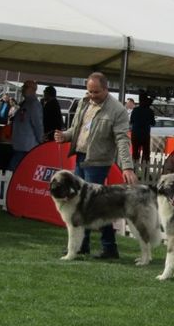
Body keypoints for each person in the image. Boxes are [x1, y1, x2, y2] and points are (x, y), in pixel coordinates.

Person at [54, 72, 137, 258]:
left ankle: (107, 247)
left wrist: (127, 167)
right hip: (80, 158)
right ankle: (85, 246)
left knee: (95, 206)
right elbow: (77, 129)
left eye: (96, 92)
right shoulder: (84, 102)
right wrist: (65, 136)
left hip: (98, 163)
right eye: (90, 91)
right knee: (83, 206)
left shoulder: (117, 110)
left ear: (106, 89)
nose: (92, 95)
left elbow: (123, 140)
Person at [8, 80, 44, 171]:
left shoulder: (34, 105)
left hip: (27, 147)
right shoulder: (25, 103)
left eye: (25, 87)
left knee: (13, 170)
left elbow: (38, 125)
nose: (23, 89)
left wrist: (41, 141)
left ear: (33, 89)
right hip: (20, 145)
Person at [129, 92, 155, 164]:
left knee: (135, 152)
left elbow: (131, 121)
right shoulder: (150, 111)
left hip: (135, 134)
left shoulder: (135, 110)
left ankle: (134, 167)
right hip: (145, 135)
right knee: (146, 153)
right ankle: (145, 170)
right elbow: (153, 123)